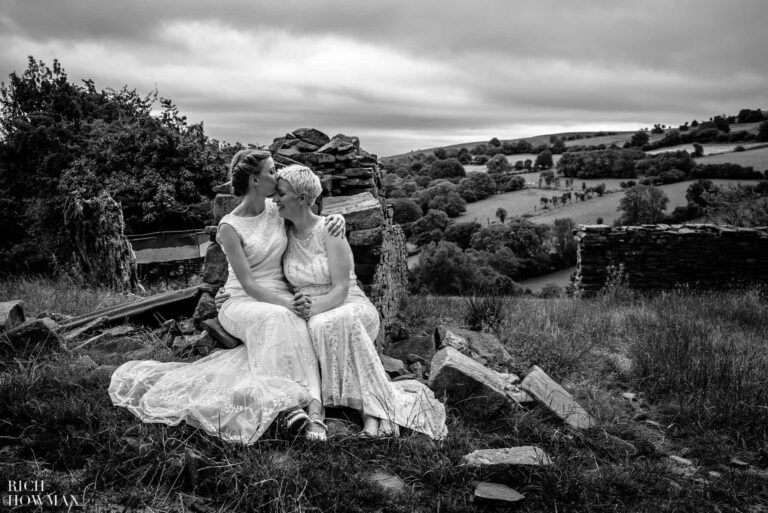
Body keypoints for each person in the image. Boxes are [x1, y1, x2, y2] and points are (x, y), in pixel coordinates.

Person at [109, 149, 344, 443]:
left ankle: (314, 408)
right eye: (272, 172)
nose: (278, 176)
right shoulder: (230, 226)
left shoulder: (278, 210)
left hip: (279, 297)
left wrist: (337, 219)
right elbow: (246, 282)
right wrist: (287, 303)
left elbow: (309, 216)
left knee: (288, 322)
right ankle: (288, 407)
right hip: (241, 300)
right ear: (256, 180)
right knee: (280, 317)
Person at [274, 164, 447, 439]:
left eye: (281, 194)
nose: (275, 199)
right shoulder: (281, 232)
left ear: (303, 198)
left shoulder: (328, 229)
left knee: (335, 321)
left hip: (347, 303)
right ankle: (376, 413)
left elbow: (342, 289)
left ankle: (372, 414)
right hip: (314, 311)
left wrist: (311, 310)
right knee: (322, 326)